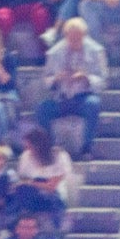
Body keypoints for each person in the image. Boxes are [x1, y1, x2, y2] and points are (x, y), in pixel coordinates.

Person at [37, 18, 107, 159]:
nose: (75, 41)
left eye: (78, 38)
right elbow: (45, 80)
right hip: (61, 99)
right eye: (71, 38)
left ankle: (87, 148)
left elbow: (103, 80)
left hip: (83, 97)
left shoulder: (96, 51)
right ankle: (50, 149)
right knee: (42, 109)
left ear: (84, 35)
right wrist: (56, 78)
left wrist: (86, 78)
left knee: (93, 104)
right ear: (66, 36)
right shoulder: (55, 52)